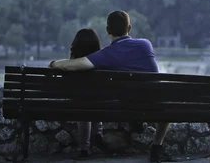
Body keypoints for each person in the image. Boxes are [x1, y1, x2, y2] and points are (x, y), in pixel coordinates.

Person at [50, 11, 172, 162]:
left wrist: (54, 63)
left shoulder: (106, 54)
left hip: (125, 107)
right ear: (129, 28)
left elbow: (72, 66)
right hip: (152, 105)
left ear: (108, 30)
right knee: (166, 108)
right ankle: (156, 146)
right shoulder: (146, 45)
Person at [68, 28, 105, 159]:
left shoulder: (71, 65)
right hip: (101, 105)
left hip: (80, 105)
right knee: (93, 102)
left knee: (82, 106)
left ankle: (84, 148)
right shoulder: (101, 62)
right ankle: (98, 133)